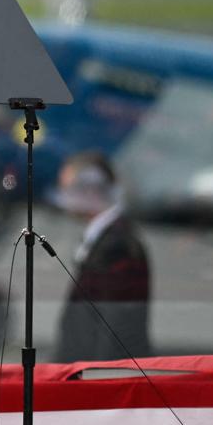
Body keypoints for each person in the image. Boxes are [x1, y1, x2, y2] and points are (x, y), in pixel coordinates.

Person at [53, 151, 152, 362]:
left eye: (67, 188)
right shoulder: (107, 239)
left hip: (97, 377)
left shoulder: (117, 246)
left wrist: (100, 380)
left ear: (90, 189)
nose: (63, 196)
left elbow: (118, 326)